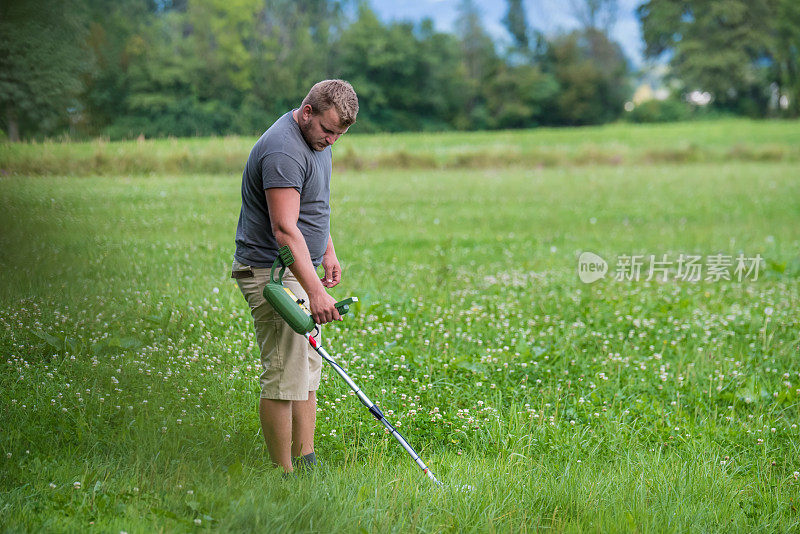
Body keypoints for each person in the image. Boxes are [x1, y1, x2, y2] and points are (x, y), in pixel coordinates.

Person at [231, 79, 358, 474]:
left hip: (297, 267)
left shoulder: (317, 141)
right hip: (272, 273)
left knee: (306, 367)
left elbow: (312, 207)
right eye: (328, 130)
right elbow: (285, 229)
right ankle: (283, 475)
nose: (332, 140)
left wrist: (328, 250)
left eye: (340, 134)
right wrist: (316, 291)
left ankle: (306, 464)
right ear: (307, 113)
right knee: (286, 372)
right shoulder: (284, 149)